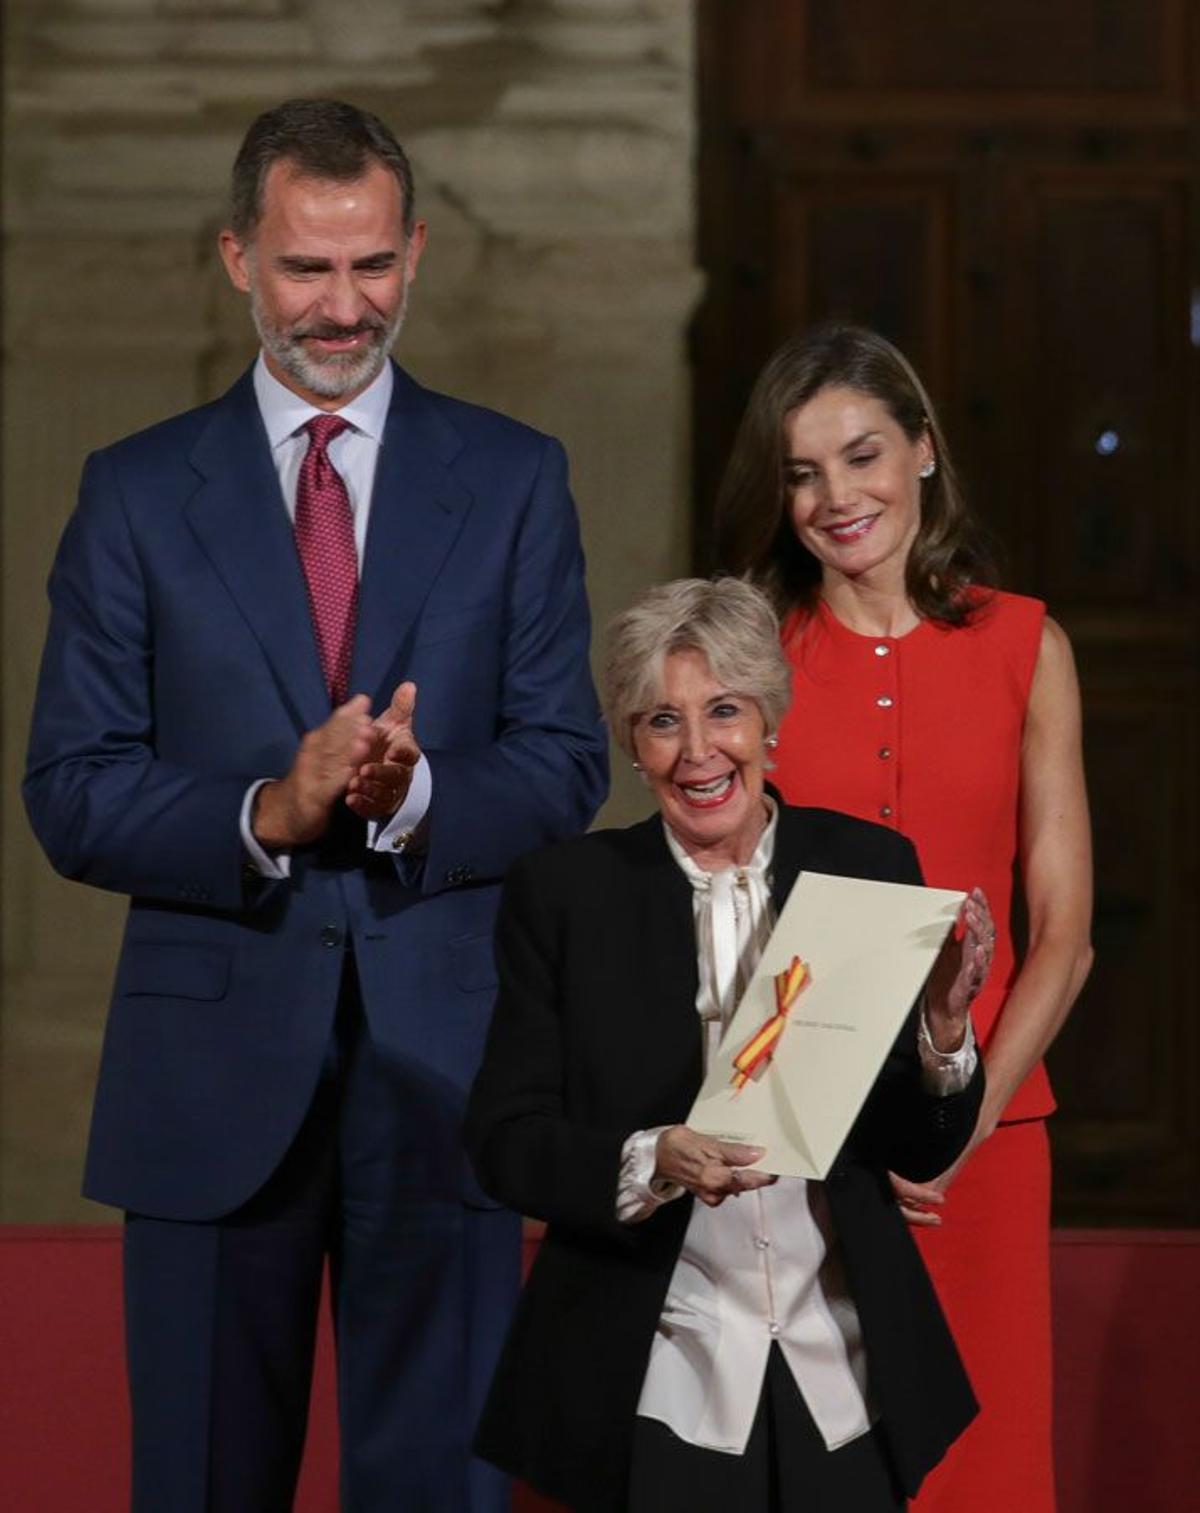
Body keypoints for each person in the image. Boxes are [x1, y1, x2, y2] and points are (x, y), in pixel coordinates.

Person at [23, 98, 607, 1513]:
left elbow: (566, 761)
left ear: (412, 254)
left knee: (439, 1486)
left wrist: (418, 801)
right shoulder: (136, 493)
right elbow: (71, 786)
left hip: (449, 1073)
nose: (342, 307)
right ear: (237, 258)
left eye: (371, 267)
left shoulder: (517, 477)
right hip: (209, 1083)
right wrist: (264, 814)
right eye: (305, 268)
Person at [466, 576, 994, 1513]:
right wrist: (650, 1157)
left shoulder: (869, 867)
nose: (699, 751)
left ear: (769, 721)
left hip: (842, 1352)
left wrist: (944, 1033)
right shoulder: (565, 894)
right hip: (661, 1359)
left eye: (725, 711)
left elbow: (916, 1145)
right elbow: (505, 1140)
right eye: (663, 720)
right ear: (633, 743)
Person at [715, 321, 1094, 1513]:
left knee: (982, 1473)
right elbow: (710, 910)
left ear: (923, 451)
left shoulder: (1027, 645)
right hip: (793, 1150)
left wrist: (964, 1125)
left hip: (986, 1137)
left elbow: (1066, 929)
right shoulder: (747, 650)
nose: (837, 497)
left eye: (863, 455)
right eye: (802, 473)